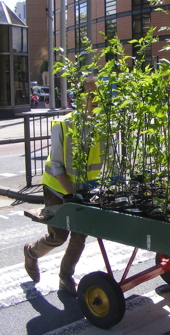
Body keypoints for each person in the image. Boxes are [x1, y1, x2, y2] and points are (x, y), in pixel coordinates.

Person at [24, 77, 103, 296]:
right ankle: (31, 252)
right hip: (57, 188)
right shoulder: (65, 124)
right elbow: (57, 166)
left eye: (97, 94)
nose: (94, 99)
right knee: (58, 236)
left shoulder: (102, 125)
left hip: (84, 189)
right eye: (90, 94)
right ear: (79, 98)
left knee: (80, 236)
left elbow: (107, 161)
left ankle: (65, 276)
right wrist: (71, 195)